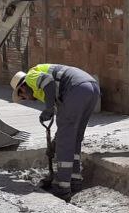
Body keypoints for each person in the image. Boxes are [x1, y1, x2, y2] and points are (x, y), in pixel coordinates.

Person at [11, 63, 100, 200]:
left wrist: (48, 109)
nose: (26, 99)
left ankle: (62, 187)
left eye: (23, 97)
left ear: (22, 88)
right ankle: (74, 180)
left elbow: (48, 82)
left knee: (65, 142)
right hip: (91, 89)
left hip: (76, 89)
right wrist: (53, 144)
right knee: (74, 137)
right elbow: (65, 127)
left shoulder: (31, 77)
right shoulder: (52, 93)